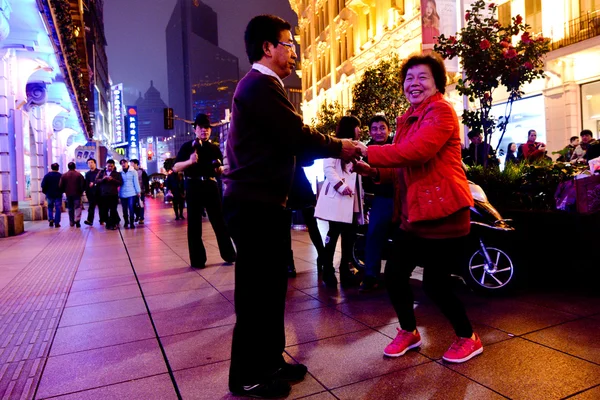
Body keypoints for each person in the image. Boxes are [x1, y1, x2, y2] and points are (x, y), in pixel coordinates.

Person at [223, 15, 361, 398]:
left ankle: (270, 361)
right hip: (253, 205)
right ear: (268, 47)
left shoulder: (263, 87)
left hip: (263, 203)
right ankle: (247, 375)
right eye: (288, 43)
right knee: (255, 293)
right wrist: (340, 146)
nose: (293, 51)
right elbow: (295, 135)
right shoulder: (259, 86)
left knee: (270, 288)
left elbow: (286, 146)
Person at [353, 53, 482, 364]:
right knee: (395, 275)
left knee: (435, 285)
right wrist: (373, 171)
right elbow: (403, 168)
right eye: (409, 79)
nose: (414, 83)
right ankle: (409, 331)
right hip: (416, 214)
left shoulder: (440, 110)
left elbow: (418, 152)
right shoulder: (410, 117)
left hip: (444, 211)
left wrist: (369, 151)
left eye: (422, 77)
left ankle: (468, 337)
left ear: (437, 82)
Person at [173, 113, 236, 268]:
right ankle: (198, 260)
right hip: (193, 186)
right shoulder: (187, 147)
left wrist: (220, 169)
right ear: (195, 129)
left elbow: (219, 169)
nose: (204, 131)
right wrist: (190, 161)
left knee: (219, 222)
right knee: (194, 224)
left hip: (211, 185)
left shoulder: (214, 148)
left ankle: (229, 254)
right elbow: (175, 167)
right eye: (201, 128)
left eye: (207, 128)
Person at [314, 115, 365, 288]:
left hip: (352, 200)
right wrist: (341, 186)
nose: (360, 130)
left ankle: (345, 269)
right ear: (351, 127)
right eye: (358, 126)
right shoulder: (336, 144)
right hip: (338, 198)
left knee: (349, 237)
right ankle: (327, 269)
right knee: (333, 235)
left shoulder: (358, 145)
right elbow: (328, 168)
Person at [360, 115, 396, 291]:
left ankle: (396, 275)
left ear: (389, 129)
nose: (379, 132)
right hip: (381, 198)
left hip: (402, 198)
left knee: (403, 238)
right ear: (370, 131)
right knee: (374, 234)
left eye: (382, 128)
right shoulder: (365, 151)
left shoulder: (398, 146)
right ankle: (370, 275)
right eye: (374, 128)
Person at [284, 158, 325, 277]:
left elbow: (309, 160)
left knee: (312, 223)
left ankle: (322, 257)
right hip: (285, 183)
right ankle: (289, 263)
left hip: (298, 183)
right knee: (285, 228)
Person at [95, 159, 123, 230]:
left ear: (114, 166)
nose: (110, 167)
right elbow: (96, 180)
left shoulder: (117, 174)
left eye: (111, 166)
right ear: (106, 165)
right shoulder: (101, 172)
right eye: (108, 166)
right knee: (104, 210)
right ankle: (108, 223)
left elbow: (120, 183)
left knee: (113, 210)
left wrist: (112, 179)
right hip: (104, 194)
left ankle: (113, 224)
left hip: (113, 194)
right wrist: (103, 179)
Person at [59, 162, 86, 228]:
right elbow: (83, 185)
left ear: (68, 167)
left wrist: (64, 191)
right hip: (77, 194)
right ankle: (77, 220)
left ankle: (71, 221)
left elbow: (60, 185)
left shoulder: (64, 175)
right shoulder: (79, 175)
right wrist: (81, 192)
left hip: (68, 194)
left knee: (70, 208)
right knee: (77, 207)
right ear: (74, 167)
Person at [119, 159, 141, 229]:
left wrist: (138, 191)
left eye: (124, 162)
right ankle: (126, 222)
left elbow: (136, 182)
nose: (123, 164)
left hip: (131, 193)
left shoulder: (133, 171)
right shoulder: (119, 172)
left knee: (131, 208)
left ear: (127, 163)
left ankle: (131, 223)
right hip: (122, 193)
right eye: (122, 163)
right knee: (124, 209)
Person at [41, 163, 63, 228]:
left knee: (50, 207)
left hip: (49, 194)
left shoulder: (47, 176)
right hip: (58, 195)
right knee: (58, 208)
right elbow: (63, 185)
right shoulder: (61, 176)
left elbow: (43, 185)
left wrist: (46, 192)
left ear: (51, 168)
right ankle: (57, 223)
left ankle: (51, 219)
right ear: (58, 168)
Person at [130, 159, 149, 224]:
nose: (131, 165)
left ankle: (141, 218)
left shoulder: (142, 171)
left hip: (141, 191)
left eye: (132, 163)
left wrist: (147, 190)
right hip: (132, 192)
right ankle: (137, 215)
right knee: (132, 205)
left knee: (141, 205)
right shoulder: (130, 171)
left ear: (136, 164)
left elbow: (146, 181)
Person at [83, 158, 101, 226]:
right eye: (89, 163)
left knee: (101, 207)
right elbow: (86, 184)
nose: (90, 164)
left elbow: (102, 181)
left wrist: (94, 183)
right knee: (91, 207)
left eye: (91, 162)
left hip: (99, 192)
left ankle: (102, 220)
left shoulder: (100, 172)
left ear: (95, 163)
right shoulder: (87, 174)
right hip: (91, 193)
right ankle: (90, 220)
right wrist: (87, 192)